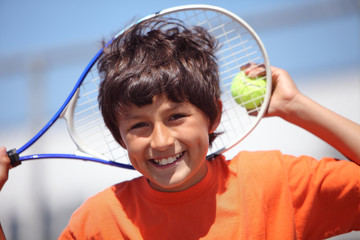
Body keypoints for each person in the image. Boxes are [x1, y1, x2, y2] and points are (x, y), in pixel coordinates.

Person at [2, 18, 360, 239]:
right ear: (119, 137)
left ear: (214, 116)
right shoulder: (99, 221)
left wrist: (298, 107)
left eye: (176, 117)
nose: (160, 141)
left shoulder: (276, 181)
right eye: (139, 125)